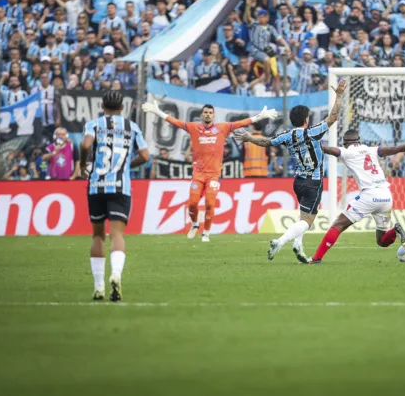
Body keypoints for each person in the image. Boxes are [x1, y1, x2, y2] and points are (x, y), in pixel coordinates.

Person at [235, 80, 347, 262]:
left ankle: (298, 246)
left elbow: (266, 142)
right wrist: (340, 96)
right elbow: (333, 117)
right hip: (313, 181)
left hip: (298, 182)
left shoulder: (286, 135)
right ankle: (280, 241)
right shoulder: (313, 132)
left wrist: (248, 137)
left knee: (303, 216)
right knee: (308, 221)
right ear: (306, 119)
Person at [142, 101, 278, 242]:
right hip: (198, 174)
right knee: (193, 204)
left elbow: (241, 123)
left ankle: (206, 232)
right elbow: (176, 122)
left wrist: (259, 117)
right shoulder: (194, 127)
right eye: (205, 112)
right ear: (201, 115)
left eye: (210, 113)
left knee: (210, 203)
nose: (208, 114)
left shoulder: (222, 128)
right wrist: (158, 112)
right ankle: (195, 224)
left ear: (213, 115)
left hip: (214, 175)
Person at [302, 130, 405, 264]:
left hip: (369, 196)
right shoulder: (372, 150)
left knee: (339, 224)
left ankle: (316, 258)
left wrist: (312, 144)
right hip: (386, 196)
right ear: (359, 140)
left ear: (345, 143)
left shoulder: (347, 152)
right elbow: (396, 149)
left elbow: (330, 150)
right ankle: (395, 230)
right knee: (382, 241)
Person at [79, 90, 150, 302]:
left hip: (96, 185)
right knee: (117, 234)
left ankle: (99, 286)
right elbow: (145, 156)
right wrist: (127, 164)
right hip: (121, 186)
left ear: (102, 106)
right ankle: (116, 274)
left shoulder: (94, 124)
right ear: (122, 107)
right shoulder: (132, 127)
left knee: (97, 234)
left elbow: (85, 144)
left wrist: (83, 163)